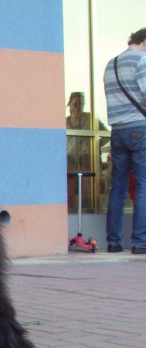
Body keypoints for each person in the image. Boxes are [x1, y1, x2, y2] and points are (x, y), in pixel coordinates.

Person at [103, 28, 146, 254]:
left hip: (117, 130)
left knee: (117, 186)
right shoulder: (142, 60)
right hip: (140, 128)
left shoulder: (111, 64)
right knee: (143, 185)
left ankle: (113, 241)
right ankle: (140, 242)